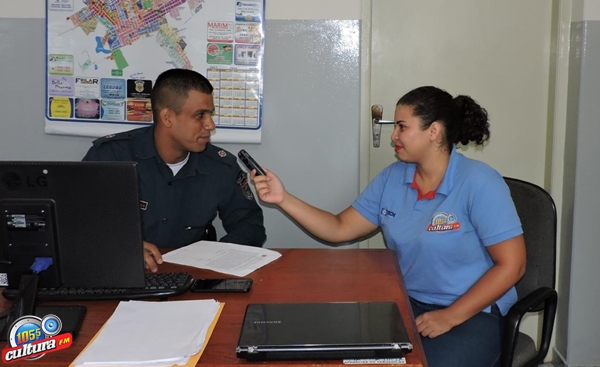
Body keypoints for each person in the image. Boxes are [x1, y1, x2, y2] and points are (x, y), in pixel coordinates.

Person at [250, 86, 526, 367]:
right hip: (407, 304)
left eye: (402, 126)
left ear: (433, 131)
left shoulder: (479, 182)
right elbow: (339, 228)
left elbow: (512, 265)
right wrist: (283, 199)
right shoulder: (393, 178)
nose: (394, 135)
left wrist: (450, 316)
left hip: (473, 312)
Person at [83, 68, 266, 272]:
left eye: (210, 114)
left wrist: (216, 256)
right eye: (200, 115)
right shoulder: (111, 157)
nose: (210, 125)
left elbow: (250, 226)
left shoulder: (221, 166)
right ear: (168, 117)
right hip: (124, 272)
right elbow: (74, 223)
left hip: (190, 276)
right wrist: (120, 248)